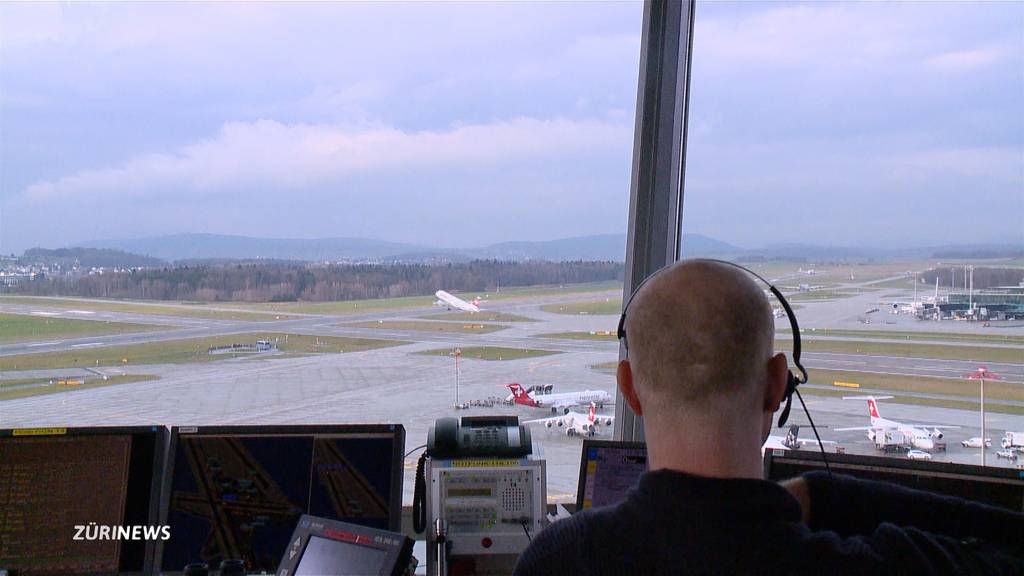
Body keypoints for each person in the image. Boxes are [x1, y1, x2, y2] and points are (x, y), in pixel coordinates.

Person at [514, 260, 1023, 575]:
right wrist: (821, 494)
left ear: (629, 390)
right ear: (778, 384)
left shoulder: (559, 559)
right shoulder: (875, 562)